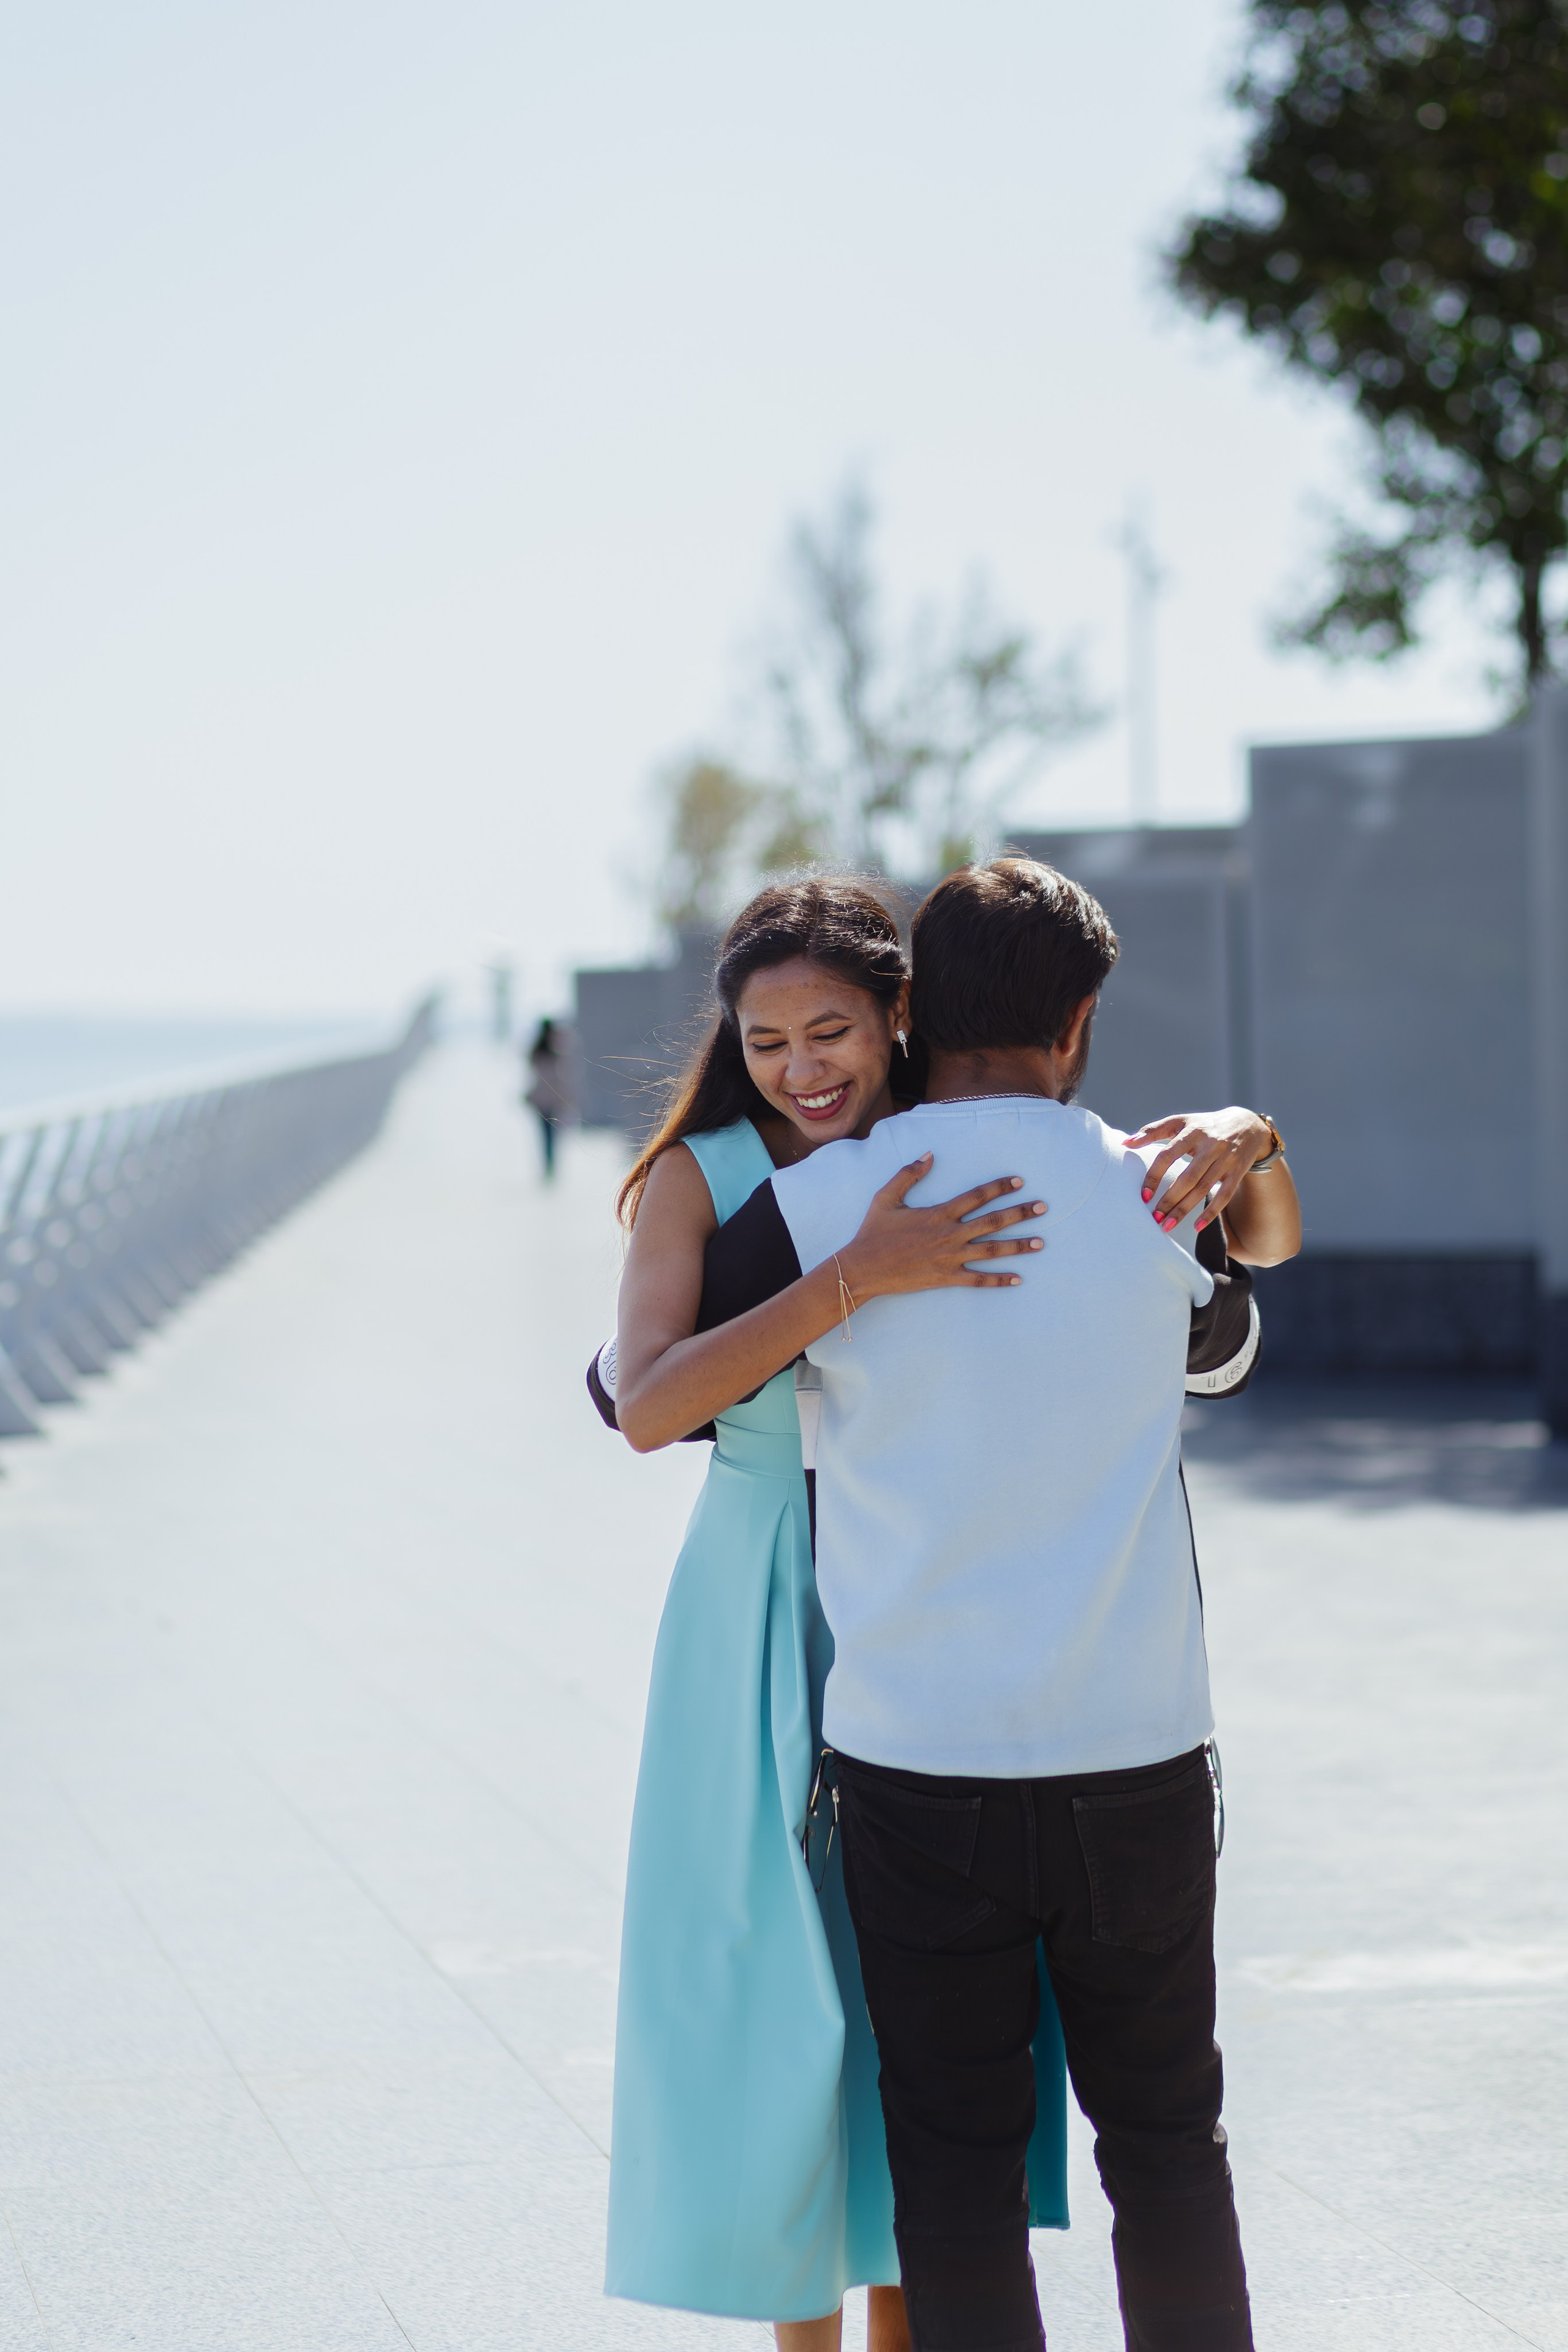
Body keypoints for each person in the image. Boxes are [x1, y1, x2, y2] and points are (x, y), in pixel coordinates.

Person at [596, 878, 1270, 2351]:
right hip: (1130, 1748)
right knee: (1165, 2139)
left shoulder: (822, 1199)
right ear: (1077, 1020)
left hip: (915, 1752)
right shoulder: (1142, 1186)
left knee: (949, 2162)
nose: (798, 1066)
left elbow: (630, 1392)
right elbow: (1231, 1330)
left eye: (826, 1032)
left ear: (910, 1015)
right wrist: (1241, 1144)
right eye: (767, 1040)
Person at [524, 1017, 572, 1178]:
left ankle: (548, 1166)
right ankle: (550, 1166)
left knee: (544, 1133)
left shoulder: (536, 1051)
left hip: (540, 1098)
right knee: (552, 1134)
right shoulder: (554, 1051)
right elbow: (560, 1077)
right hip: (552, 1098)